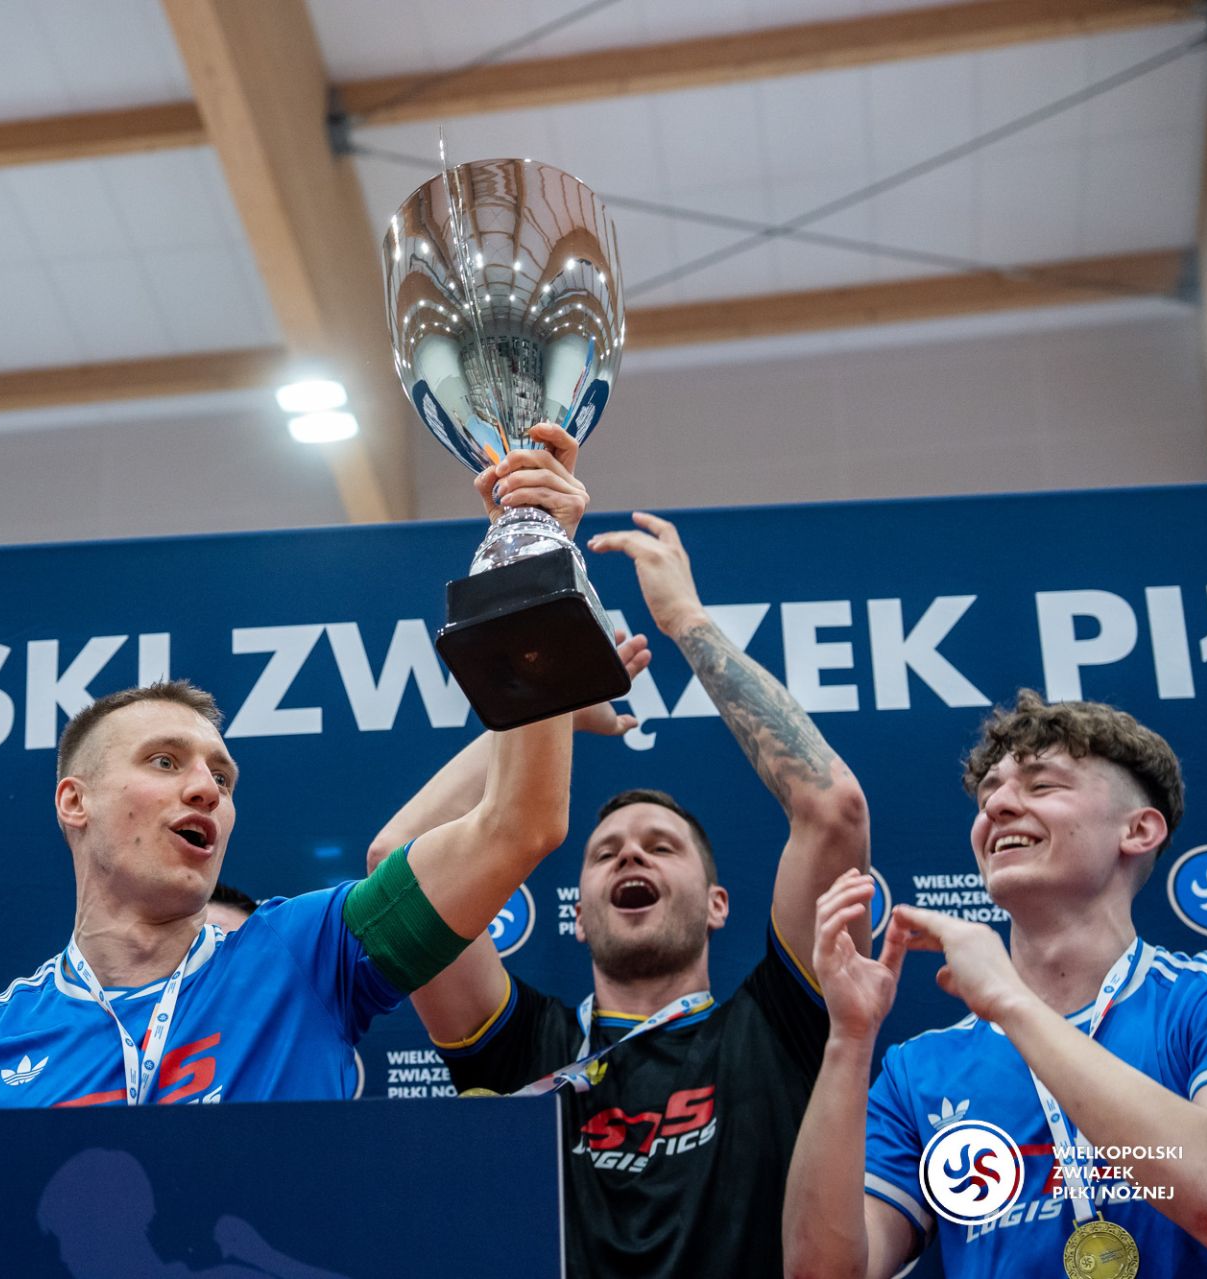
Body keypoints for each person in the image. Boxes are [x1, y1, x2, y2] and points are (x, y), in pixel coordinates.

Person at [0, 429, 598, 1113]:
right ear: (74, 801)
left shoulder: (308, 953)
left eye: (222, 777)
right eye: (164, 761)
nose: (206, 788)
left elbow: (517, 825)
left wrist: (532, 562)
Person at [369, 427, 870, 1276]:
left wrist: (687, 622)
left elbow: (832, 807)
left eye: (660, 846)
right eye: (604, 854)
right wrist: (557, 696)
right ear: (577, 914)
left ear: (718, 902)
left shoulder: (782, 1022)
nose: (630, 858)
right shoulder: (523, 1044)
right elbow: (399, 864)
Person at [783, 691, 1207, 1278]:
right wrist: (848, 1040)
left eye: (1042, 786)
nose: (996, 806)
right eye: (988, 794)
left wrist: (1010, 1002)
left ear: (1139, 829)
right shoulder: (920, 1071)